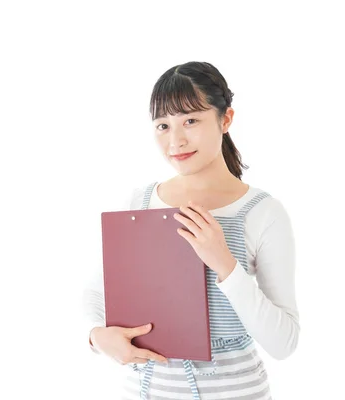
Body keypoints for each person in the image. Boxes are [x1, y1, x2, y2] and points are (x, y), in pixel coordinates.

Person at [82, 61, 300, 400]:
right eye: (162, 125)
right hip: (144, 391)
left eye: (191, 121)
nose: (176, 140)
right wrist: (96, 336)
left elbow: (284, 342)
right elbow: (96, 293)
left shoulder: (261, 213)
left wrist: (225, 264)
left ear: (225, 119)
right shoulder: (139, 203)